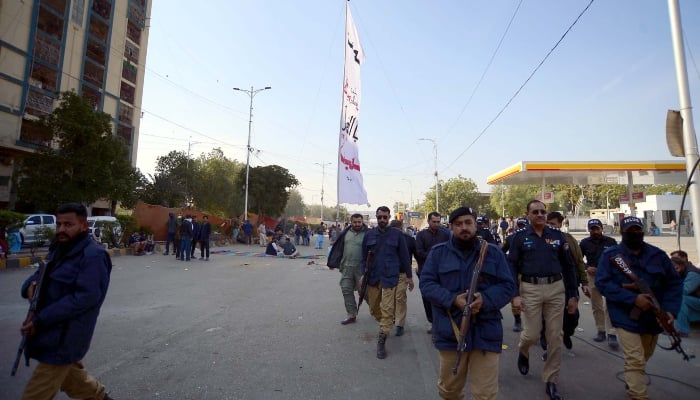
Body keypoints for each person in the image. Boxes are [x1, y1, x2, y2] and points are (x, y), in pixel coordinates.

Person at [18, 203, 114, 400]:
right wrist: (29, 286)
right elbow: (40, 273)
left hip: (65, 337)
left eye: (68, 224)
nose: (61, 229)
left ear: (84, 226)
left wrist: (40, 321)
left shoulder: (93, 256)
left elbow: (85, 298)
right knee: (75, 382)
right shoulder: (60, 248)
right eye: (59, 224)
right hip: (50, 332)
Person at [420, 206, 515, 400]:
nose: (464, 227)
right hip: (450, 332)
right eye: (458, 224)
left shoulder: (493, 253)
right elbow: (427, 284)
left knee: (485, 395)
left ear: (475, 225)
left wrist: (485, 300)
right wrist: (452, 299)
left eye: (468, 223)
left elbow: (507, 285)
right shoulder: (438, 253)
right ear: (451, 227)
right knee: (449, 391)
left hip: (486, 331)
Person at [596, 216, 682, 400]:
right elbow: (602, 283)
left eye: (637, 230)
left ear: (643, 231)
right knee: (635, 358)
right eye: (630, 231)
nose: (634, 233)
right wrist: (633, 299)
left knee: (644, 355)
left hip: (652, 316)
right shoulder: (611, 255)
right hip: (624, 315)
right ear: (622, 232)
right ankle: (638, 394)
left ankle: (633, 377)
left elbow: (674, 283)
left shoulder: (657, 255)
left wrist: (670, 310)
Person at [508, 200, 579, 400]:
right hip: (530, 289)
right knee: (530, 334)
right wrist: (515, 294)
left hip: (556, 288)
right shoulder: (519, 238)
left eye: (543, 211)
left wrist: (573, 294)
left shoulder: (558, 236)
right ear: (527, 214)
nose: (540, 214)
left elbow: (568, 266)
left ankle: (551, 380)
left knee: (555, 336)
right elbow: (511, 266)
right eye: (535, 212)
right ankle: (523, 351)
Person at [361, 206, 413, 359]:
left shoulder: (397, 235)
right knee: (373, 309)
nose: (382, 220)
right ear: (376, 218)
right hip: (373, 276)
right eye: (379, 217)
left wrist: (409, 277)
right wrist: (363, 273)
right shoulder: (369, 234)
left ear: (389, 217)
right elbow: (363, 257)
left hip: (390, 277)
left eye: (385, 217)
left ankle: (382, 338)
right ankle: (387, 322)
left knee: (388, 308)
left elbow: (404, 257)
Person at [545, 211, 589, 352]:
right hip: (549, 285)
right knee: (546, 316)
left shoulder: (569, 240)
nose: (549, 227)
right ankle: (545, 342)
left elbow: (579, 262)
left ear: (560, 224)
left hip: (570, 284)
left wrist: (585, 282)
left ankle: (567, 333)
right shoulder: (541, 239)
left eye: (552, 224)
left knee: (572, 315)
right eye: (548, 224)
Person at [579, 218, 619, 348]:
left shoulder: (611, 242)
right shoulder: (584, 243)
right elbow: (578, 259)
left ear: (602, 228)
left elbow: (618, 259)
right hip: (592, 277)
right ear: (589, 230)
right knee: (597, 306)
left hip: (609, 276)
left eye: (597, 228)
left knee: (610, 305)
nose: (595, 231)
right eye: (592, 229)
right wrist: (586, 267)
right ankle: (601, 330)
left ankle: (611, 334)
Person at [328, 214, 369, 325]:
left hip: (361, 269)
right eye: (355, 222)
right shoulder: (345, 234)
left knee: (365, 293)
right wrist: (332, 263)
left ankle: (378, 310)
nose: (357, 224)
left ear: (362, 222)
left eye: (359, 222)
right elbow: (338, 249)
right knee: (346, 289)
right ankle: (351, 315)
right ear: (351, 222)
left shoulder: (368, 234)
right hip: (346, 267)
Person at [415, 211, 450, 334]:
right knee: (427, 298)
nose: (436, 224)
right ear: (429, 221)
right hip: (426, 271)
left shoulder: (445, 235)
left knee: (441, 296)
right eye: (434, 222)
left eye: (438, 222)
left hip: (443, 271)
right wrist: (434, 256)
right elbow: (419, 252)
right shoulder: (421, 235)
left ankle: (441, 322)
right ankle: (432, 322)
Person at [390, 219, 417, 336]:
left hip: (403, 274)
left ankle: (399, 324)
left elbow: (415, 255)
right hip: (389, 274)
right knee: (391, 298)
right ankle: (393, 319)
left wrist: (410, 276)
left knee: (399, 297)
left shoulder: (409, 239)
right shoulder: (386, 238)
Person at [501, 217, 528, 332]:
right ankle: (517, 319)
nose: (522, 228)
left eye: (524, 226)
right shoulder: (511, 238)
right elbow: (502, 252)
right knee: (515, 297)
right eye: (520, 226)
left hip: (529, 272)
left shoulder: (534, 237)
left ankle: (532, 323)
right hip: (515, 271)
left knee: (531, 298)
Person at [670, 250, 700, 337]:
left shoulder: (693, 273)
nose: (674, 269)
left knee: (680, 298)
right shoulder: (682, 272)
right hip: (695, 301)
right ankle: (674, 327)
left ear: (683, 262)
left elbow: (684, 290)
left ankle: (682, 330)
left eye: (676, 267)